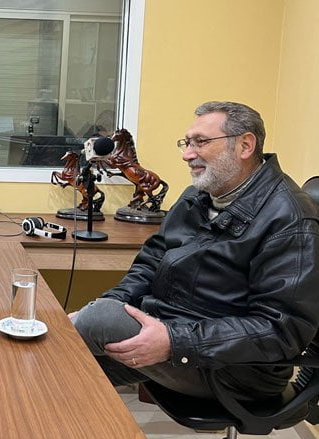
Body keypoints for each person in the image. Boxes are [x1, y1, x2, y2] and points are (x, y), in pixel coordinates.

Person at [70, 101, 319, 402]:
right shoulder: (198, 195)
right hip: (174, 329)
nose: (187, 154)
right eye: (187, 143)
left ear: (245, 145)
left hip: (237, 370)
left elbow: (282, 330)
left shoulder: (290, 219)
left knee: (91, 326)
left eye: (201, 142)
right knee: (66, 358)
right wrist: (114, 301)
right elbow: (150, 262)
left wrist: (175, 342)